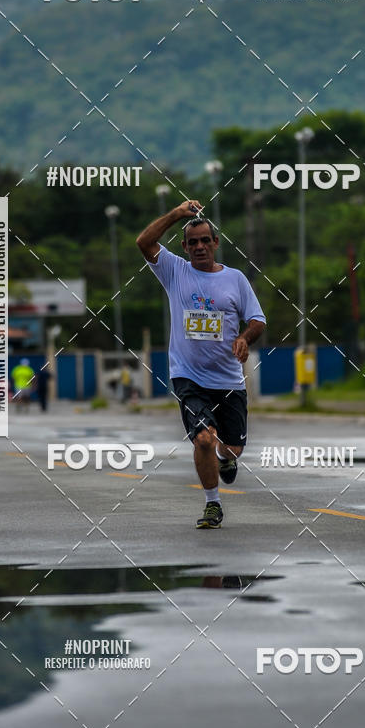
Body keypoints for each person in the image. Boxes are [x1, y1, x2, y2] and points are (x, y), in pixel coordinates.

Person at [136, 200, 266, 529]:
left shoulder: (235, 279)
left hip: (228, 379)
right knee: (204, 439)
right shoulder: (175, 270)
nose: (199, 247)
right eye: (192, 242)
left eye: (205, 240)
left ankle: (225, 459)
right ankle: (213, 504)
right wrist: (176, 214)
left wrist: (244, 339)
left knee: (231, 447)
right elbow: (144, 242)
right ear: (184, 247)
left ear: (215, 243)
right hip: (188, 377)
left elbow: (257, 320)